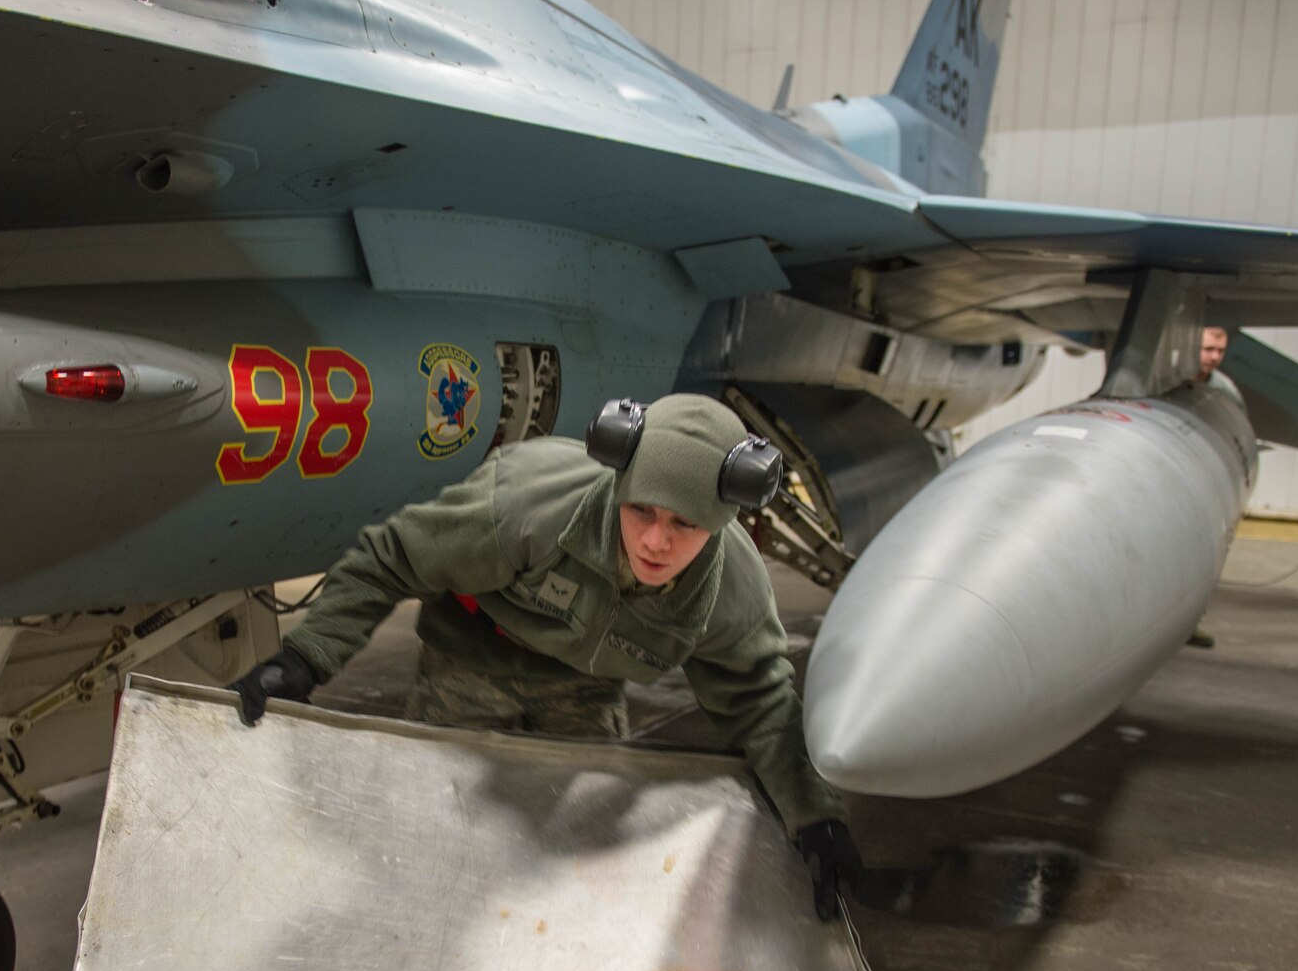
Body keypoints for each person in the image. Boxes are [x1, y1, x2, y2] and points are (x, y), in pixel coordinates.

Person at [229, 393, 874, 922]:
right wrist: (308, 657)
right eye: (642, 510)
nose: (655, 540)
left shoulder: (732, 591)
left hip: (586, 686)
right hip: (473, 660)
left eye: (685, 524)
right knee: (436, 825)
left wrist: (815, 817)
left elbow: (760, 703)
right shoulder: (526, 509)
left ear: (722, 520)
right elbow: (391, 557)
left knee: (574, 856)